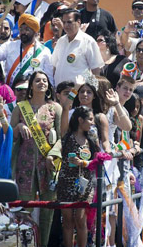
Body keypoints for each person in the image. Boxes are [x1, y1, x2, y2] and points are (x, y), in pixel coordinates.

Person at [10, 71, 62, 247]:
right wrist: (18, 126)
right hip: (24, 164)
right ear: (31, 85)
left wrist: (53, 156)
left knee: (47, 211)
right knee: (24, 209)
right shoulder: (20, 107)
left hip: (48, 165)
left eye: (44, 80)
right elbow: (10, 136)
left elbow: (62, 138)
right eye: (37, 80)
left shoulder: (55, 108)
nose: (41, 83)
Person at [57, 106, 99, 247]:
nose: (93, 123)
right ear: (80, 120)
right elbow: (64, 110)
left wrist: (84, 163)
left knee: (81, 221)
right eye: (90, 119)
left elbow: (98, 160)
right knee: (67, 221)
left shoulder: (92, 137)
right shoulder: (67, 135)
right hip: (66, 182)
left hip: (84, 184)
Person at [0, 13, 54, 86]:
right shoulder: (10, 46)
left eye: (27, 29)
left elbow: (49, 77)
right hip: (12, 91)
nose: (23, 32)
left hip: (33, 92)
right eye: (21, 29)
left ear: (35, 32)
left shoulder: (44, 51)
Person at [52, 8, 104, 86]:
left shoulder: (88, 41)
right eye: (64, 22)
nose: (66, 25)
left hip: (77, 93)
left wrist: (93, 91)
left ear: (78, 22)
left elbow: (96, 70)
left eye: (69, 22)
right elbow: (54, 67)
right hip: (59, 93)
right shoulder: (61, 41)